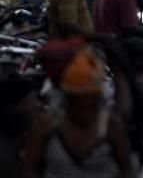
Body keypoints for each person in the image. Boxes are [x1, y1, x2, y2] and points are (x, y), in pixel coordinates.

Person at [24, 49, 132, 178]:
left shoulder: (110, 126)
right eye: (78, 101)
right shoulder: (47, 125)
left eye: (91, 100)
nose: (85, 107)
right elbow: (31, 167)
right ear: (67, 98)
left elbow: (126, 168)